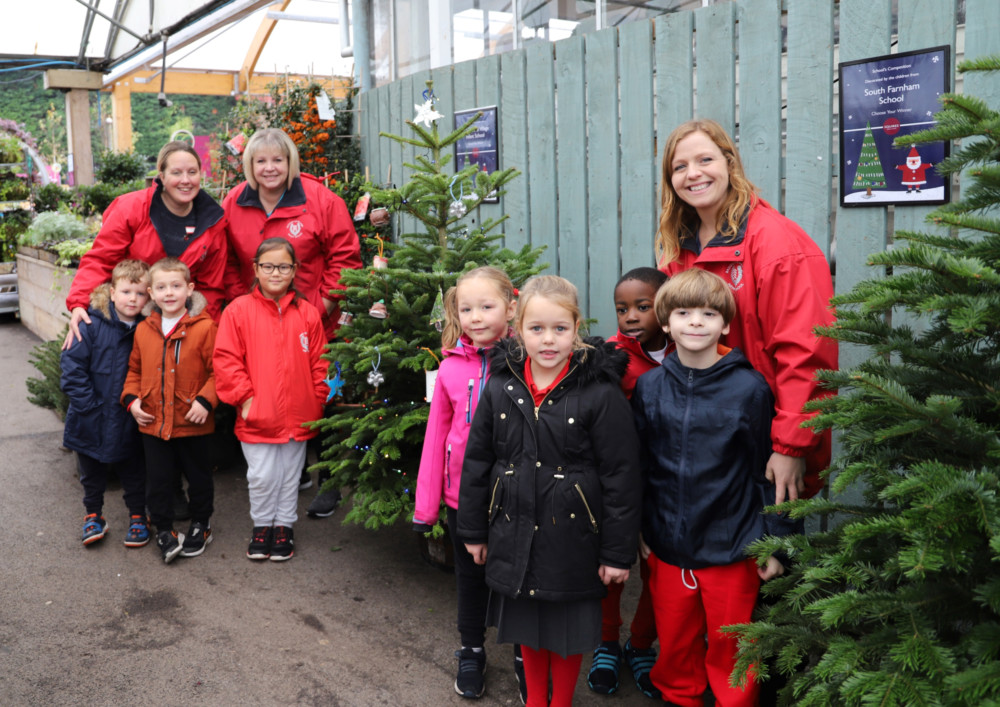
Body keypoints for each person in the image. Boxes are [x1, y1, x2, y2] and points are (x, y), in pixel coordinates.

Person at [457, 275, 642, 707]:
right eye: (536, 329)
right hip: (513, 529)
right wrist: (474, 531)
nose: (548, 340)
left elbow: (621, 475)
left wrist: (617, 554)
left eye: (560, 329)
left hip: (572, 539)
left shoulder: (599, 393)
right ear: (517, 328)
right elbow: (478, 461)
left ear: (576, 328)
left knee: (564, 633)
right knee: (528, 631)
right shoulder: (502, 386)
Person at [631, 268, 797, 706]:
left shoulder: (750, 389)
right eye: (684, 312)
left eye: (709, 313)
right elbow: (641, 468)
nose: (696, 322)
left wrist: (774, 545)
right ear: (666, 322)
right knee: (676, 646)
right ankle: (678, 696)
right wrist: (641, 528)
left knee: (734, 652)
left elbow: (769, 475)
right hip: (668, 545)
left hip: (733, 547)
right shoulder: (649, 388)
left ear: (725, 323)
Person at [656, 118, 837, 505]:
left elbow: (806, 352)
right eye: (679, 166)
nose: (693, 174)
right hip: (703, 438)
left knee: (766, 559)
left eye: (705, 159)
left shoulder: (777, 243)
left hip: (763, 441)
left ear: (730, 163)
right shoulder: (678, 248)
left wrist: (790, 446)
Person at [222, 127, 362, 511]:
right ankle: (292, 471)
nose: (270, 168)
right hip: (260, 323)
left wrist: (317, 311)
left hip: (317, 319)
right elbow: (229, 262)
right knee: (271, 389)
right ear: (250, 165)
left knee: (322, 395)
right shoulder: (234, 202)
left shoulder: (320, 199)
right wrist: (242, 307)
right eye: (261, 160)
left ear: (291, 162)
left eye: (278, 160)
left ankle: (328, 482)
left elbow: (345, 259)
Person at [413, 267, 521, 700]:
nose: (476, 317)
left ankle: (523, 652)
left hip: (516, 496)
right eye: (466, 308)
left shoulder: (525, 360)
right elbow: (436, 438)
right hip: (463, 499)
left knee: (517, 577)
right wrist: (427, 507)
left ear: (510, 308)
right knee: (470, 579)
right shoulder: (451, 369)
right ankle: (472, 649)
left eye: (487, 306)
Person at [214, 238, 328, 562]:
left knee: (290, 476)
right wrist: (245, 400)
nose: (275, 273)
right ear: (256, 269)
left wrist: (317, 400)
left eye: (283, 266)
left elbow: (321, 362)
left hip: (299, 415)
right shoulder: (238, 311)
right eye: (268, 266)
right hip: (257, 416)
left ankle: (284, 527)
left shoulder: (306, 313)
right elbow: (226, 360)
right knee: (262, 476)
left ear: (294, 270)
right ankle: (262, 525)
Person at [587, 267, 668, 699]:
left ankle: (640, 645)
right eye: (622, 309)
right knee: (612, 566)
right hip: (616, 482)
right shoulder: (610, 358)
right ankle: (606, 643)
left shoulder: (686, 351)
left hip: (666, 485)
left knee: (660, 567)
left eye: (642, 306)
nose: (631, 316)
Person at [64, 141, 227, 348]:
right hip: (128, 320)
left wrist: (205, 334)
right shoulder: (132, 208)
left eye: (192, 172)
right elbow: (101, 259)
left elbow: (211, 288)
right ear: (162, 176)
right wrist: (78, 303)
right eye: (176, 173)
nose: (185, 180)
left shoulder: (212, 221)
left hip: (179, 324)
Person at [121, 257, 218, 564]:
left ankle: (201, 524)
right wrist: (132, 401)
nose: (169, 293)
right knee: (159, 480)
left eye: (176, 286)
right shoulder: (144, 330)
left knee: (199, 477)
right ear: (151, 292)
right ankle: (164, 529)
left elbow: (221, 372)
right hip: (153, 423)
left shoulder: (204, 328)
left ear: (189, 289)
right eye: (161, 287)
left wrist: (206, 400)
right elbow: (133, 370)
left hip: (192, 421)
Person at [60, 259, 151, 548]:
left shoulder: (147, 329)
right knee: (92, 472)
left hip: (128, 416)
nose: (132, 299)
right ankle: (93, 515)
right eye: (126, 292)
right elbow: (72, 367)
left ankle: (138, 516)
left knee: (134, 470)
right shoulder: (90, 323)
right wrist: (89, 405)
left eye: (139, 294)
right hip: (90, 416)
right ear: (112, 293)